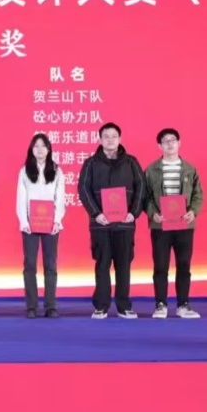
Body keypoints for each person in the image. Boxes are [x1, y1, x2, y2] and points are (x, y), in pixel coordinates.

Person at [77, 122, 145, 319]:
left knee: (124, 266)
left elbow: (141, 187)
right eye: (106, 136)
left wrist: (134, 212)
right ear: (100, 139)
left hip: (125, 224)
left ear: (120, 139)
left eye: (114, 136)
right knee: (102, 264)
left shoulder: (131, 162)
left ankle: (124, 306)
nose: (110, 140)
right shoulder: (90, 163)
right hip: (101, 224)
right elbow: (83, 189)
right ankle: (101, 305)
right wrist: (96, 214)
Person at [143, 128, 204, 319]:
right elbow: (145, 197)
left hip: (184, 226)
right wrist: (153, 214)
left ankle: (183, 305)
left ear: (179, 143)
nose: (169, 144)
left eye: (173, 140)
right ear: (159, 146)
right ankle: (160, 305)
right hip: (160, 226)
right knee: (160, 266)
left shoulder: (190, 169)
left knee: (184, 265)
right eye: (165, 141)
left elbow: (198, 195)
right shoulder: (151, 170)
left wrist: (193, 211)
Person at [16, 133, 65, 318]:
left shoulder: (57, 170)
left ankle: (51, 306)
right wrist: (24, 221)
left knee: (50, 265)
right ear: (31, 149)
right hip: (30, 225)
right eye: (36, 146)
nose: (40, 149)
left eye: (43, 146)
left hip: (51, 224)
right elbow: (21, 198)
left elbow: (60, 197)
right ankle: (31, 306)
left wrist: (57, 220)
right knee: (29, 265)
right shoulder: (25, 171)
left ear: (49, 149)